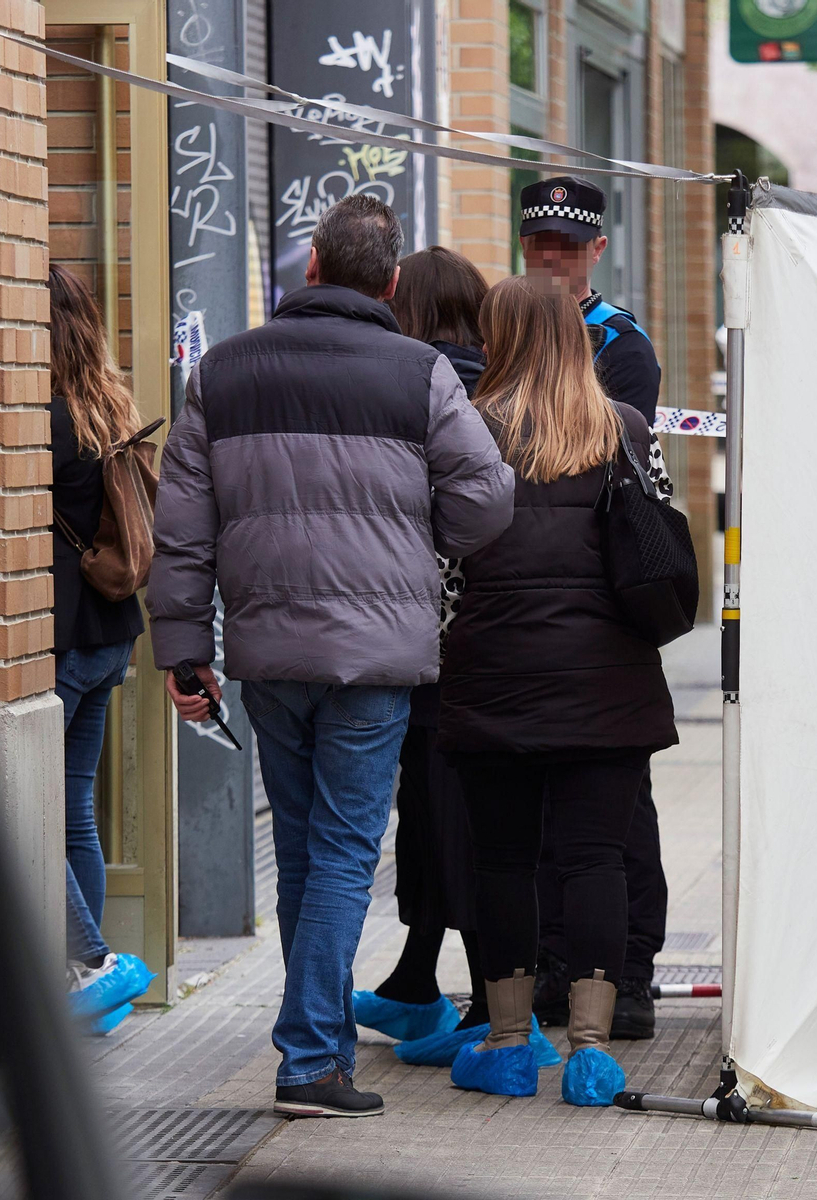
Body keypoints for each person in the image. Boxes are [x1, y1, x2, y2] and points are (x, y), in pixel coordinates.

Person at [146, 196, 514, 1119]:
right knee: (346, 852)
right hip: (378, 654)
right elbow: (485, 503)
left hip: (269, 652)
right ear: (389, 283)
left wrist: (186, 650)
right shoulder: (421, 372)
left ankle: (318, 1044)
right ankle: (310, 1059)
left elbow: (181, 529)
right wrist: (415, 527)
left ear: (310, 268)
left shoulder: (223, 372)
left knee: (310, 851)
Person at [439, 275, 678, 1107]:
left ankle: (508, 1047)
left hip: (494, 675)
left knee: (503, 860)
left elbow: (442, 559)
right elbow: (658, 539)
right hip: (606, 682)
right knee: (597, 860)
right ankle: (590, 1055)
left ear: (498, 337)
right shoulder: (626, 427)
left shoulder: (465, 430)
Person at [518, 175, 669, 1039]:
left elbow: (609, 470)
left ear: (596, 253)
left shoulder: (621, 346)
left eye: (567, 248)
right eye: (540, 243)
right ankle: (550, 963)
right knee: (539, 802)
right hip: (531, 604)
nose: (551, 259)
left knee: (618, 809)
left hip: (601, 602)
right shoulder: (508, 332)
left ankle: (631, 973)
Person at [350, 247, 493, 1041]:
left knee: (436, 815)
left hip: (418, 637)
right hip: (482, 638)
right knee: (449, 815)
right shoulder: (495, 388)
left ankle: (478, 1001)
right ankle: (418, 982)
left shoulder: (411, 387)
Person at [47, 264, 155, 1030]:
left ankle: (89, 968)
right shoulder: (107, 407)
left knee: (36, 813)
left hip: (53, 637)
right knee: (74, 813)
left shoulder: (40, 416)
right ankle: (98, 992)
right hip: (108, 635)